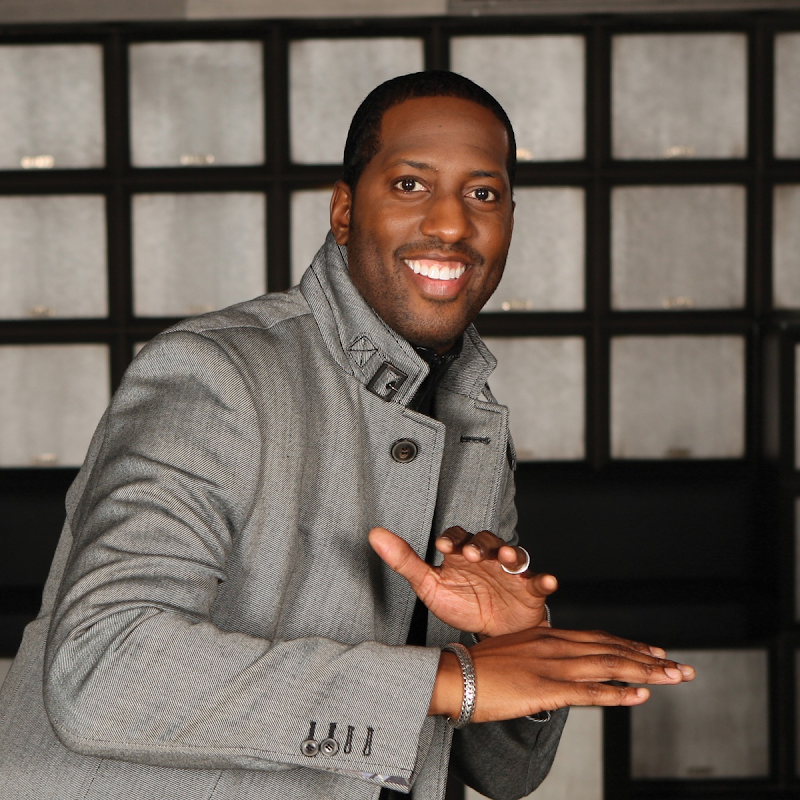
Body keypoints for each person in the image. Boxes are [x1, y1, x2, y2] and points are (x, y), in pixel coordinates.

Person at [0, 71, 694, 800]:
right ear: (343, 210)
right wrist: (452, 679)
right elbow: (102, 674)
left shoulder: (472, 421)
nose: (451, 224)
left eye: (483, 194)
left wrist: (509, 643)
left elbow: (504, 774)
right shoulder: (217, 371)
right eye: (410, 185)